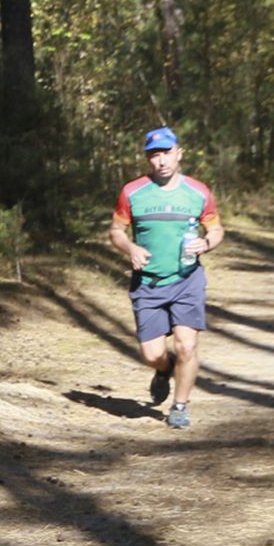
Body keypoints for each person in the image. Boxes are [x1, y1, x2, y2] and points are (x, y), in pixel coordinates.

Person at [108, 126, 224, 429]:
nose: (161, 161)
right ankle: (164, 370)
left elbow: (216, 228)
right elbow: (116, 230)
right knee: (152, 354)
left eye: (166, 153)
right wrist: (130, 247)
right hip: (148, 283)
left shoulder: (198, 192)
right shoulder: (133, 192)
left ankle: (180, 406)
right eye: (154, 155)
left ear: (179, 153)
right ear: (148, 159)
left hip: (187, 279)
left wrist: (208, 243)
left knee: (187, 346)